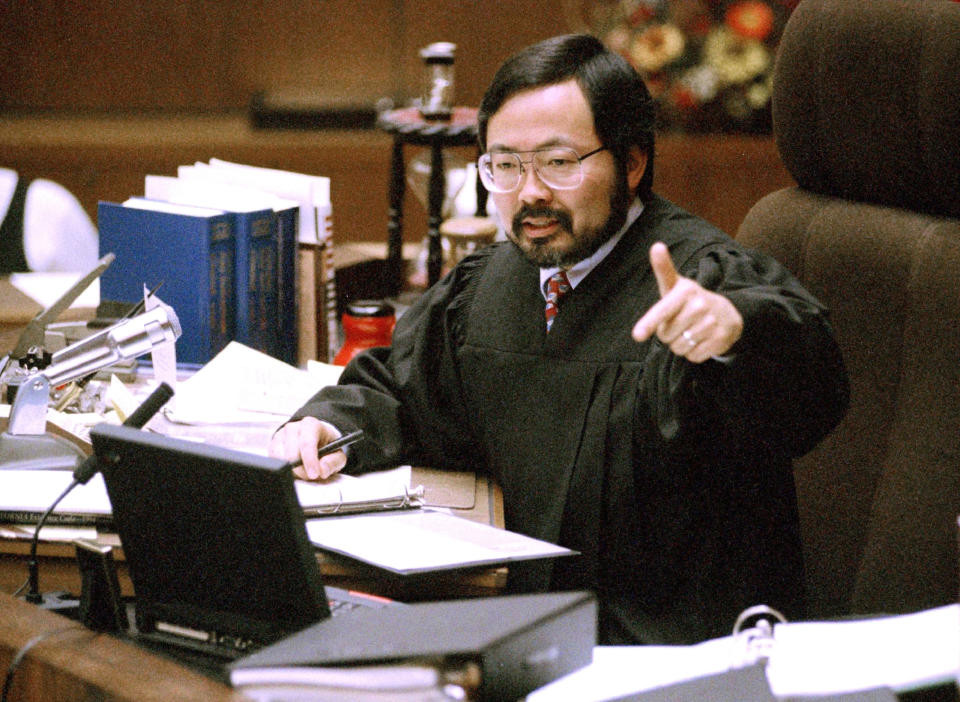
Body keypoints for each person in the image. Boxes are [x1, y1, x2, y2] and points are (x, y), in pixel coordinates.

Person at [270, 34, 849, 645]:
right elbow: (405, 389)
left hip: (672, 654)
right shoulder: (493, 283)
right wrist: (330, 426)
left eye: (559, 162)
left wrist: (735, 333)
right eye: (506, 165)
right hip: (521, 633)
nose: (530, 192)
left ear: (631, 162)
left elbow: (808, 390)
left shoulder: (698, 283)